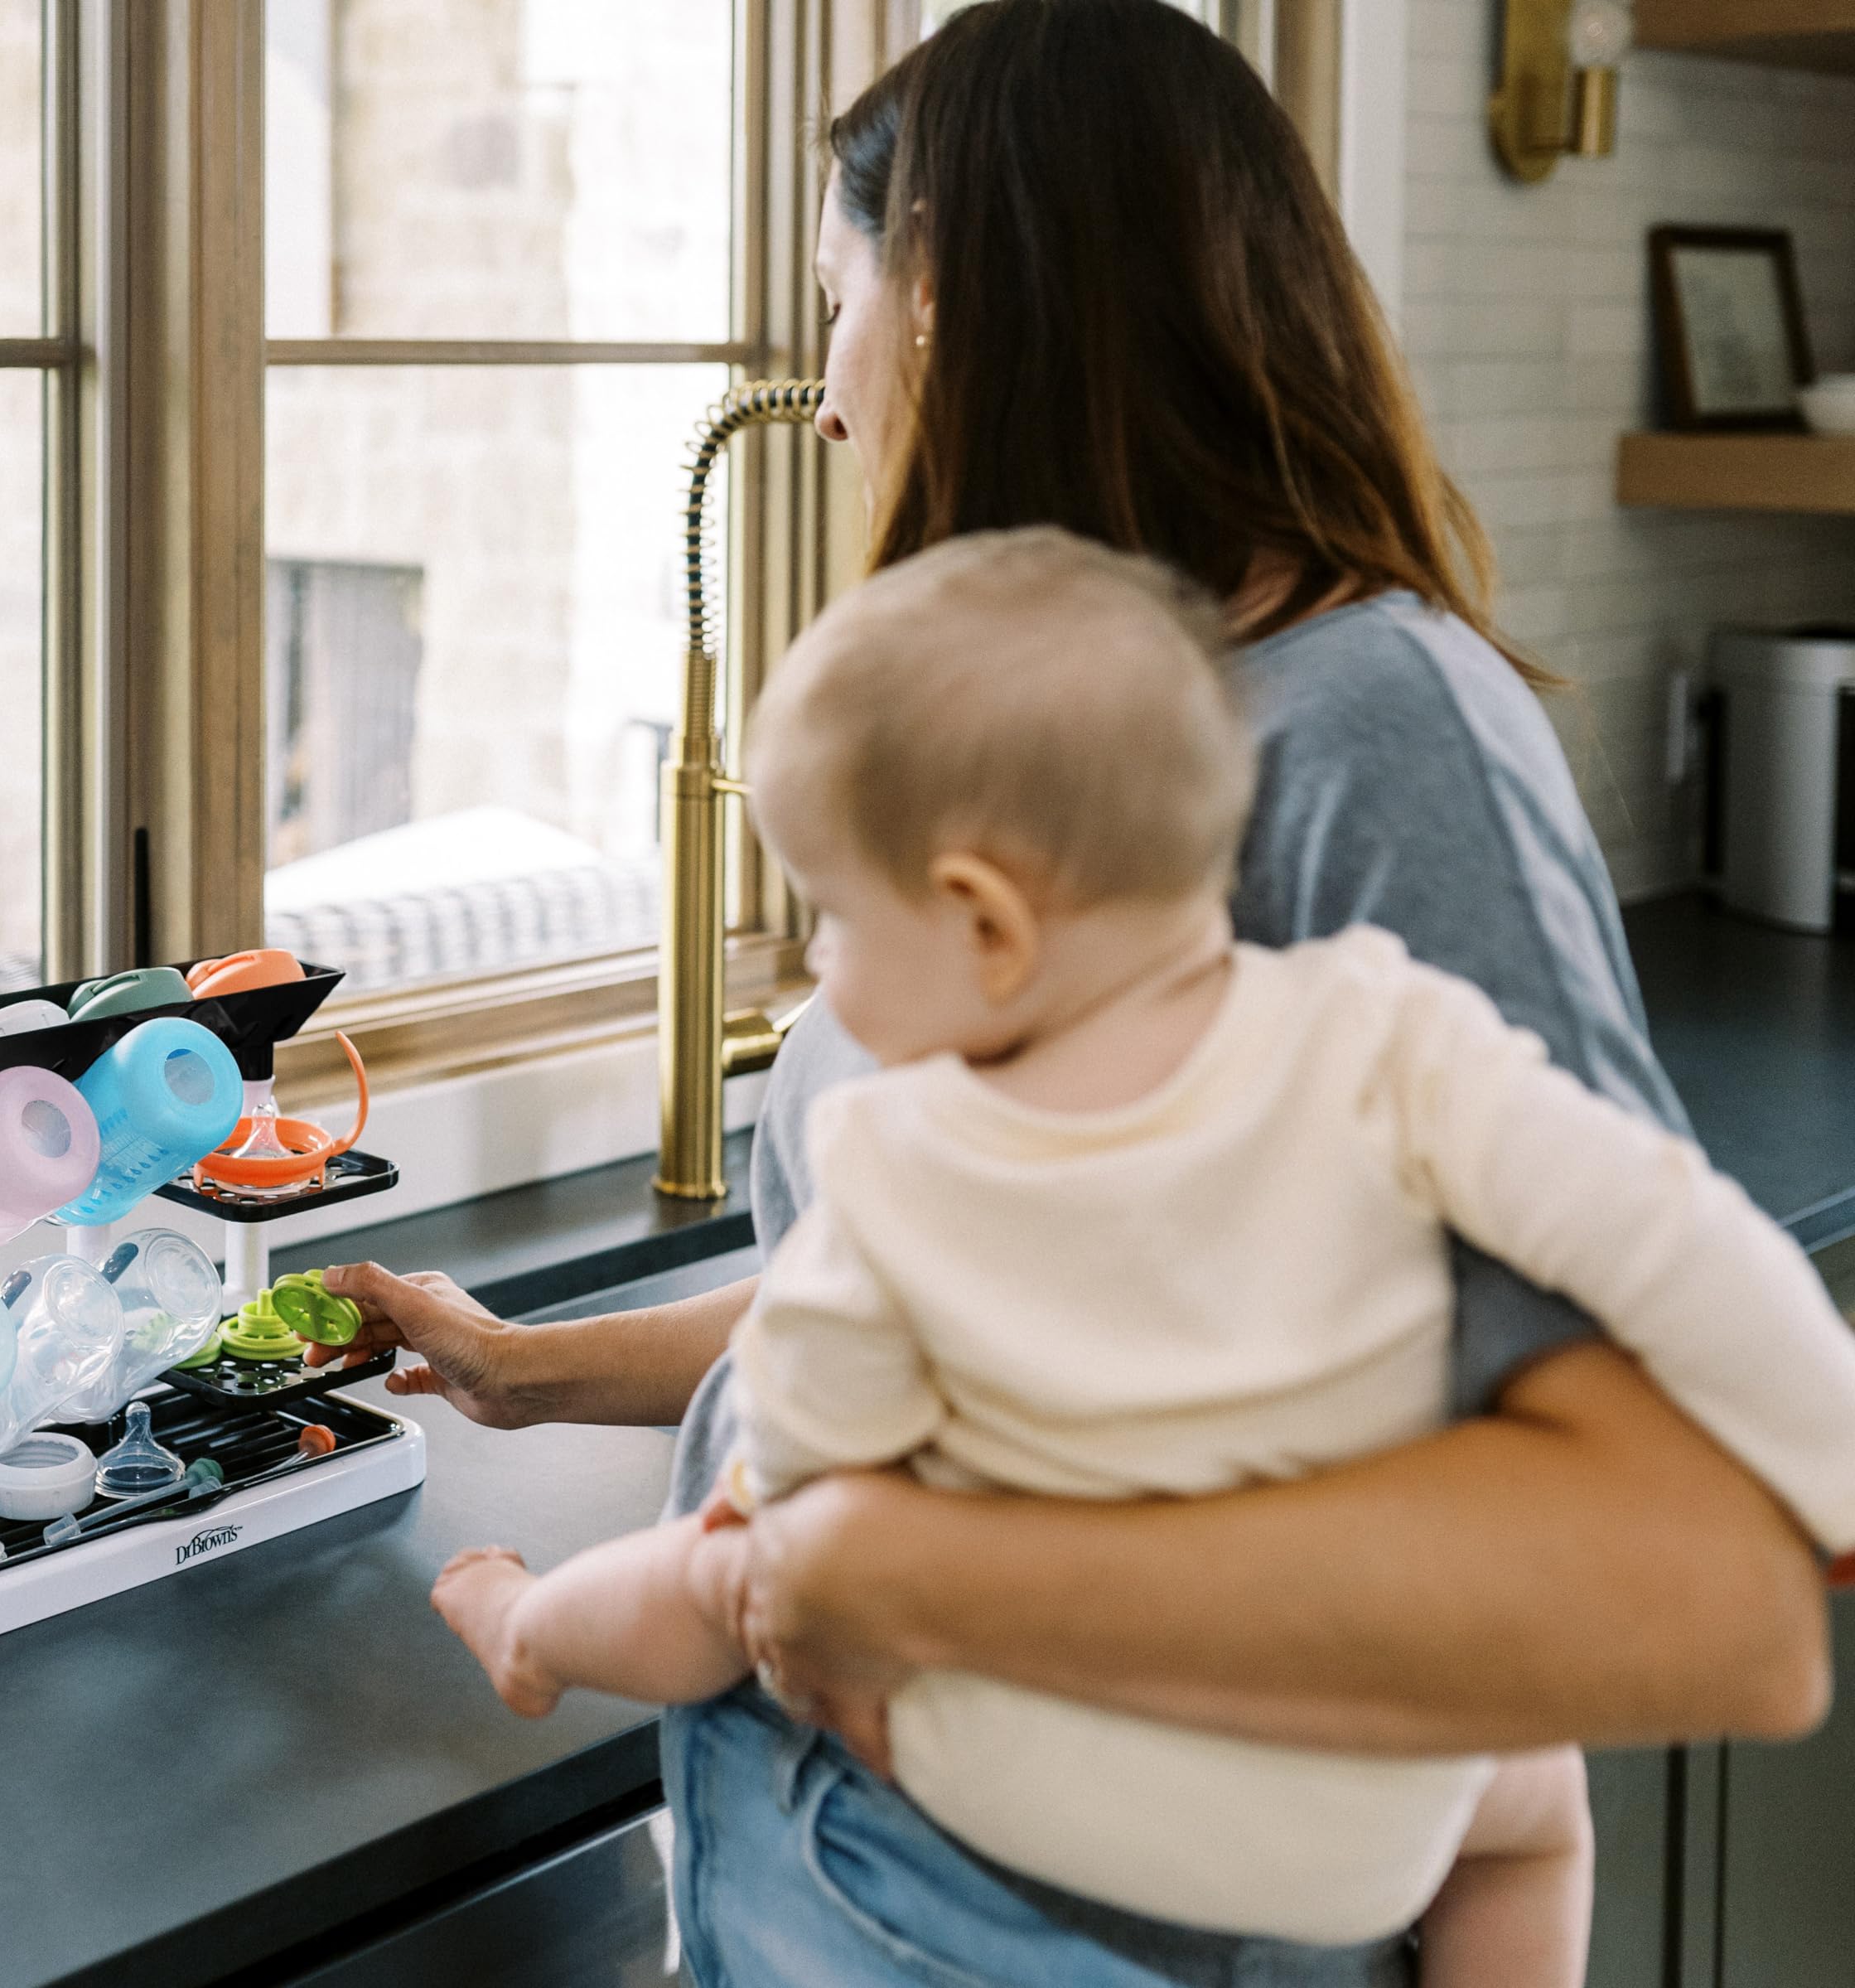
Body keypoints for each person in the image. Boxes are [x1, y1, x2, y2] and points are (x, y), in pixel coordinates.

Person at [315, 5, 1831, 1981]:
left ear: (946, 291)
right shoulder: (1095, 738)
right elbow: (1033, 1259)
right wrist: (527, 1368)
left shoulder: (1371, 730)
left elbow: (1681, 1577)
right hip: (817, 1881)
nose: (827, 398)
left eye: (837, 302)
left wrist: (903, 1576)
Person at [428, 529, 1855, 1986]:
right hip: (1369, 1816)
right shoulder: (1390, 1037)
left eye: (837, 923)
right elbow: (1677, 1240)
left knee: (719, 1575)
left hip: (1040, 1792)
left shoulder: (905, 1163)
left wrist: (784, 1529)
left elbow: (799, 1487)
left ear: (985, 922)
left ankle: (525, 1631)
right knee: (1537, 1820)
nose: (826, 976)